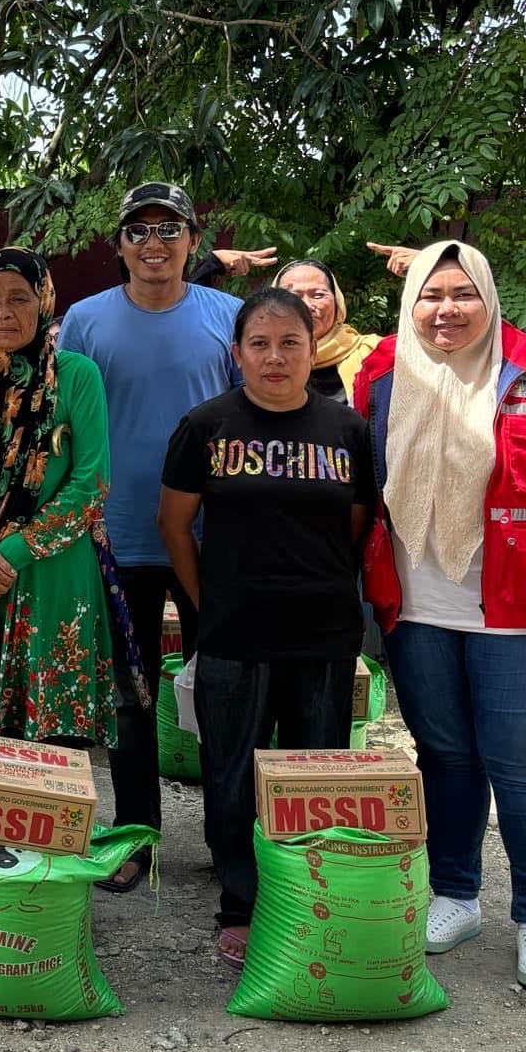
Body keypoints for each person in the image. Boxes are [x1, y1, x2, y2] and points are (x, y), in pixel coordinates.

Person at [353, 241, 526, 994]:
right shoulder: (383, 377)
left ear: (490, 299)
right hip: (419, 612)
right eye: (431, 295)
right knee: (444, 757)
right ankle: (456, 894)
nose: (446, 310)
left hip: (525, 616)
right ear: (412, 305)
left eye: (462, 294)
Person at [159, 289, 378, 966]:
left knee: (316, 774)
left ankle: (310, 897)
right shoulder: (206, 426)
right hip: (234, 634)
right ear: (237, 354)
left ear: (315, 351)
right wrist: (209, 604)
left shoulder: (348, 432)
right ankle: (242, 904)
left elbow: (358, 524)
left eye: (291, 343)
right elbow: (175, 524)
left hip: (323, 633)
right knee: (232, 775)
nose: (275, 357)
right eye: (260, 344)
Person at [57, 181, 242, 891]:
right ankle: (137, 838)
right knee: (128, 702)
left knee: (223, 695)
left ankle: (229, 842)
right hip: (114, 537)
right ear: (120, 247)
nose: (154, 244)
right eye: (139, 231)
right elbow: (64, 423)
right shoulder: (85, 319)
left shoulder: (228, 316)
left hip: (210, 540)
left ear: (194, 242)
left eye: (170, 230)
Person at [0, 247, 135, 746]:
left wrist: (7, 555)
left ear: (45, 301)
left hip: (50, 575)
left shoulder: (77, 374)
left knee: (51, 750)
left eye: (18, 298)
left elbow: (91, 483)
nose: (1, 312)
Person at [274, 260, 381, 404]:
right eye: (294, 297)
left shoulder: (375, 352)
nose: (307, 305)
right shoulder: (262, 358)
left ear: (337, 302)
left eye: (318, 295)